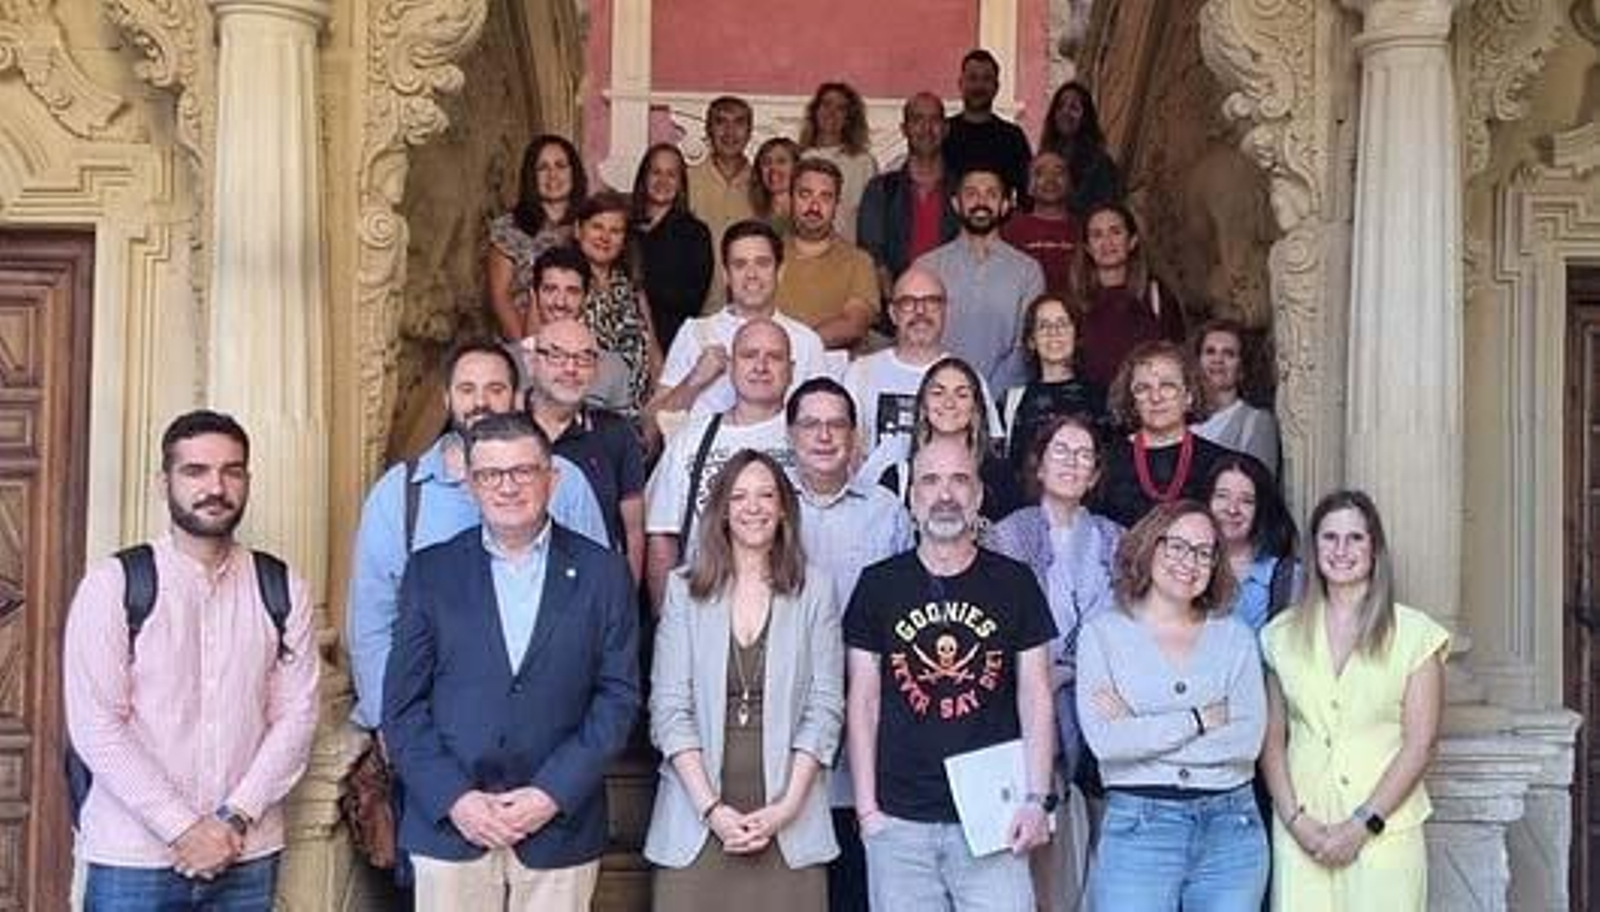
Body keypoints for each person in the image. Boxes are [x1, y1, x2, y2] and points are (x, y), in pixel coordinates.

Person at [383, 413, 640, 912]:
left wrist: (550, 794)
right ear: (471, 486)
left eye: (523, 471)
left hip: (559, 826)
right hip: (451, 827)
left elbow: (617, 697)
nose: (507, 487)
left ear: (553, 477)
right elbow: (403, 707)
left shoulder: (602, 572)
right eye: (490, 475)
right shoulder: (431, 571)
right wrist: (457, 799)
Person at [65, 410, 320, 908]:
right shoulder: (115, 584)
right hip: (133, 858)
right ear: (164, 483)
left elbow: (297, 716)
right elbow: (96, 724)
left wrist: (232, 821)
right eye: (195, 471)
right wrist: (183, 828)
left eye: (232, 471)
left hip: (245, 854)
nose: (216, 487)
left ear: (247, 480)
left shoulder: (282, 587)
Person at [348, 341, 611, 736]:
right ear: (446, 398)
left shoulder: (565, 482)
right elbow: (372, 618)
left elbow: (599, 607)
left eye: (495, 389)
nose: (480, 402)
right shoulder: (401, 492)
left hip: (549, 733)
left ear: (518, 398)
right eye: (467, 389)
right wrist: (391, 726)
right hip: (431, 735)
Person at [844, 435, 1057, 912]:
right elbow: (863, 702)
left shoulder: (1015, 582)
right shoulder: (878, 585)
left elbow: (1036, 696)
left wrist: (1037, 799)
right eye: (930, 481)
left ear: (978, 496)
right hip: (898, 821)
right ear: (912, 498)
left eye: (959, 480)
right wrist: (867, 810)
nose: (945, 494)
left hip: (994, 819)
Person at [645, 450, 844, 912]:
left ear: (782, 508)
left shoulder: (815, 589)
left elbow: (825, 706)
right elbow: (670, 709)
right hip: (697, 816)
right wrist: (712, 810)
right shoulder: (683, 589)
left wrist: (785, 809)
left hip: (788, 816)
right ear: (721, 510)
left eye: (765, 495)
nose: (752, 507)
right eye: (739, 496)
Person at [1259, 491, 1447, 912]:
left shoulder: (1417, 635)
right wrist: (1295, 821)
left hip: (1385, 831)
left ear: (1374, 548)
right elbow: (1272, 739)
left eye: (1355, 538)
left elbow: (1421, 745)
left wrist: (1364, 824)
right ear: (1313, 547)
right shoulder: (1280, 635)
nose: (1341, 550)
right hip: (1302, 829)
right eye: (1329, 538)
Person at [1076, 500, 1268, 912]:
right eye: (1178, 546)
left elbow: (1246, 743)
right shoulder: (1103, 636)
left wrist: (1140, 730)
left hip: (1230, 827)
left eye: (1204, 552)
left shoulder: (1235, 638)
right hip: (1139, 830)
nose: (1191, 562)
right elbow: (1107, 744)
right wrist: (1197, 719)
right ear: (1150, 546)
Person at [786, 377, 914, 912]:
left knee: (854, 871)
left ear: (855, 436)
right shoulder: (762, 499)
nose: (823, 436)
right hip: (784, 709)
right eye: (810, 425)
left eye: (836, 424)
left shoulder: (885, 511)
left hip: (868, 709)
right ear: (790, 435)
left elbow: (910, 609)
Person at [984, 414, 1122, 912]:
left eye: (1084, 455)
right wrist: (1049, 673)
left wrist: (1074, 672)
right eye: (1060, 451)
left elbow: (1124, 629)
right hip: (1025, 712)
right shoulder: (1005, 537)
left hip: (1099, 709)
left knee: (1095, 860)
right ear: (1038, 465)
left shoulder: (1116, 540)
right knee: (1038, 858)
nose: (1072, 462)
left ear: (1095, 473)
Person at [645, 318, 799, 611]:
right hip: (703, 607)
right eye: (749, 355)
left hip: (788, 607)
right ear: (730, 366)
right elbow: (662, 535)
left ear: (791, 370)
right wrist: (666, 622)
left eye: (774, 357)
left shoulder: (809, 438)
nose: (761, 366)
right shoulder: (692, 438)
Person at [652, 219, 830, 422]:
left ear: (780, 272)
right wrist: (694, 380)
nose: (751, 275)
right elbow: (650, 429)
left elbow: (826, 421)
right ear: (726, 275)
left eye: (762, 263)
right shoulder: (695, 333)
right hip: (706, 452)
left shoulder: (807, 342)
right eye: (740, 264)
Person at [525, 318, 648, 583]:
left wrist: (624, 602)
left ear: (597, 370)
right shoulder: (507, 430)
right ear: (532, 362)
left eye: (583, 359)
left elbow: (633, 532)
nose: (571, 368)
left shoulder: (616, 434)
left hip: (594, 594)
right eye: (557, 356)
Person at [913, 165, 1044, 393]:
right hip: (935, 398)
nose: (981, 201)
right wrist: (945, 392)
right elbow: (915, 337)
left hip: (1003, 401)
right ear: (956, 204)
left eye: (991, 194)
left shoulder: (1028, 271)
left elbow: (1026, 345)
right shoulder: (926, 267)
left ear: (1005, 205)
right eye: (972, 193)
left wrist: (985, 396)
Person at [844, 268, 1002, 455]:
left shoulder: (967, 377)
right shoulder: (860, 373)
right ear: (893, 313)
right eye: (908, 303)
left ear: (945, 311)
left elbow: (989, 452)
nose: (920, 311)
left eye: (932, 302)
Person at [1093, 340, 1248, 528]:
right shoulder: (1106, 462)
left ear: (1189, 396)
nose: (1156, 397)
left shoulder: (1221, 463)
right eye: (1143, 389)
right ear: (1132, 402)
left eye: (1167, 386)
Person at [856, 354, 1019, 524]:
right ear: (923, 405)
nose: (949, 403)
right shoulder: (898, 477)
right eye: (938, 393)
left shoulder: (999, 476)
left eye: (962, 395)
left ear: (976, 408)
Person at [1001, 294, 1106, 499]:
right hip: (1028, 520)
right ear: (1031, 340)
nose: (1053, 333)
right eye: (1044, 326)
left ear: (1077, 335)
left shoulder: (1101, 398)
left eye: (1062, 324)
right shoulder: (1012, 402)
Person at [857, 92, 959, 298]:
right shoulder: (881, 190)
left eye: (934, 120)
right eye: (917, 119)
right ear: (904, 129)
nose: (926, 128)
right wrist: (900, 305)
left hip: (955, 306)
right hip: (895, 312)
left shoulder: (964, 191)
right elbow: (872, 255)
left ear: (946, 128)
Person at [1074, 202, 1186, 387]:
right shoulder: (1074, 301)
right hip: (1090, 407)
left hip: (1147, 406)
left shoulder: (1157, 295)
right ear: (1087, 247)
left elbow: (1178, 356)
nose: (1107, 242)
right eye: (1097, 235)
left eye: (1115, 232)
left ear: (1132, 241)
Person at [487, 135, 587, 341]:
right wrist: (526, 351)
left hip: (580, 345)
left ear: (574, 172)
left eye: (560, 165)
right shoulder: (509, 228)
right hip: (525, 341)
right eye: (542, 168)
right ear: (531, 177)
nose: (553, 175)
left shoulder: (590, 225)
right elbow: (500, 297)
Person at [573, 191, 663, 419]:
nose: (605, 237)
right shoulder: (565, 284)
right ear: (578, 229)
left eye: (615, 231)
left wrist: (657, 410)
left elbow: (652, 352)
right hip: (581, 414)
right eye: (597, 226)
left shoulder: (633, 287)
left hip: (634, 417)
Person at [775, 157, 881, 350]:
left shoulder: (859, 261)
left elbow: (854, 324)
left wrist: (793, 349)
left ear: (836, 205)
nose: (814, 207)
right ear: (791, 198)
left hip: (834, 375)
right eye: (805, 195)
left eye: (825, 197)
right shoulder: (767, 256)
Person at [527, 245, 632, 413]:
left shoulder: (614, 368)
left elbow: (621, 436)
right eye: (550, 290)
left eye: (572, 292)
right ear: (534, 293)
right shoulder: (507, 362)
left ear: (587, 297)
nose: (560, 302)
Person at [632, 142, 713, 352]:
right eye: (656, 172)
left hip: (671, 343)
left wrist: (641, 286)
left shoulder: (696, 233)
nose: (662, 181)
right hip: (622, 339)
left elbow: (692, 301)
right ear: (644, 177)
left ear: (681, 182)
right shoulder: (624, 228)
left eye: (671, 174)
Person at [1205, 455, 1298, 632]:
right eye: (1222, 496)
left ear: (1262, 509)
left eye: (1247, 500)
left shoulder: (1288, 576)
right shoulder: (1186, 567)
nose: (1232, 509)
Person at [688, 95, 758, 307]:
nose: (730, 132)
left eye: (739, 122)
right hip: (696, 309)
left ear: (749, 132)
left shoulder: (763, 185)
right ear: (708, 130)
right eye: (721, 122)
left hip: (752, 307)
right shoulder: (686, 181)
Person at [942, 49, 1032, 211]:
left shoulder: (1012, 137)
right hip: (948, 229)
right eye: (973, 78)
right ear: (961, 84)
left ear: (996, 87)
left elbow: (1027, 194)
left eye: (986, 79)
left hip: (998, 229)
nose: (979, 86)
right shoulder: (943, 133)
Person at [1192, 319, 1281, 475]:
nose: (1217, 360)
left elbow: (1260, 488)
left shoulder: (1257, 422)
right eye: (1210, 351)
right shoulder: (1179, 416)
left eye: (1229, 353)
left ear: (1242, 367)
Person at [799, 81, 879, 244]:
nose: (831, 112)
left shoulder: (863, 162)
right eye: (826, 104)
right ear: (815, 111)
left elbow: (872, 218)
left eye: (840, 108)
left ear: (849, 118)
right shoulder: (799, 158)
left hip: (848, 253)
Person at [1037, 82, 1123, 217]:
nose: (1065, 112)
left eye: (1074, 107)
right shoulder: (1043, 158)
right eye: (1060, 106)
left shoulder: (1100, 163)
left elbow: (1107, 213)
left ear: (1086, 116)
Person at [1000, 151, 1078, 298]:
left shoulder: (1085, 230)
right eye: (1040, 173)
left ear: (1070, 184)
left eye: (1059, 172)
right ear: (1029, 186)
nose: (1050, 179)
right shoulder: (1009, 231)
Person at [751, 136, 802, 237]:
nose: (773, 168)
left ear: (797, 167)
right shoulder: (754, 218)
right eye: (766, 162)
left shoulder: (808, 217)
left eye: (781, 161)